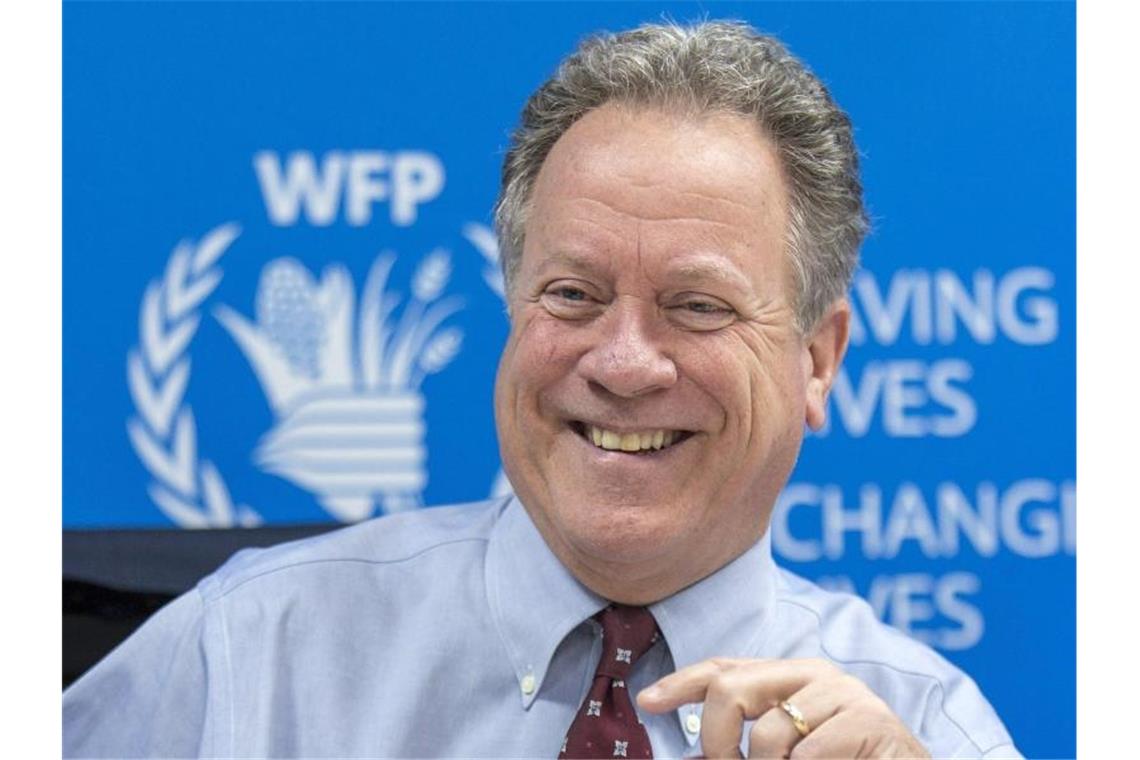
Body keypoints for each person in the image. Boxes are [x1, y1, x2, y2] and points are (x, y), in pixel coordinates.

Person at [64, 20, 1020, 759]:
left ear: (818, 359)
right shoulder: (254, 653)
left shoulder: (922, 724)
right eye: (574, 295)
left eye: (696, 306)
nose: (622, 361)